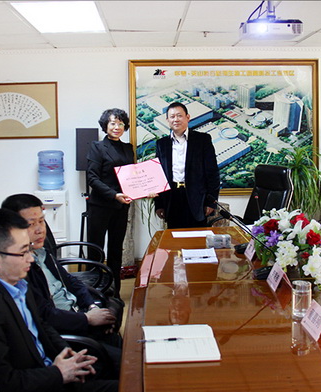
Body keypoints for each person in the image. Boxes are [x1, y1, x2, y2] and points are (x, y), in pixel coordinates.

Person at [0, 208, 118, 392]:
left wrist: (67, 353)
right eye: (23, 252)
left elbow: (42, 324)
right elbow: (5, 382)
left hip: (54, 370)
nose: (30, 258)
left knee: (123, 368)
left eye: (29, 249)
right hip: (40, 387)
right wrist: (58, 373)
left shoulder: (19, 281)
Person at [1, 193, 122, 371]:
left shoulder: (41, 251)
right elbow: (46, 316)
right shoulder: (20, 268)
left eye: (42, 221)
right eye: (30, 224)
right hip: (65, 332)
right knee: (125, 363)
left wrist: (92, 307)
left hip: (77, 316)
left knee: (119, 337)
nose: (40, 230)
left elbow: (71, 281)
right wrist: (87, 319)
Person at [86, 108, 152, 297]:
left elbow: (132, 176)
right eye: (113, 123)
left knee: (116, 250)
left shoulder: (127, 148)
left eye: (121, 124)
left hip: (121, 207)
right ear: (105, 125)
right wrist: (114, 194)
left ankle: (115, 292)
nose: (117, 127)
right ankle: (94, 292)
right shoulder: (97, 147)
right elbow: (92, 178)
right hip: (100, 206)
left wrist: (145, 190)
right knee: (96, 250)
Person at [154, 101, 221, 229]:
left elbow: (212, 173)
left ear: (187, 117)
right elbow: (159, 175)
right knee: (174, 237)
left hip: (197, 199)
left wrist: (211, 202)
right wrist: (159, 204)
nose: (176, 119)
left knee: (197, 237)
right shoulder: (162, 144)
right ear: (167, 120)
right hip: (172, 198)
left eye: (179, 115)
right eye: (172, 116)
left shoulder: (202, 140)